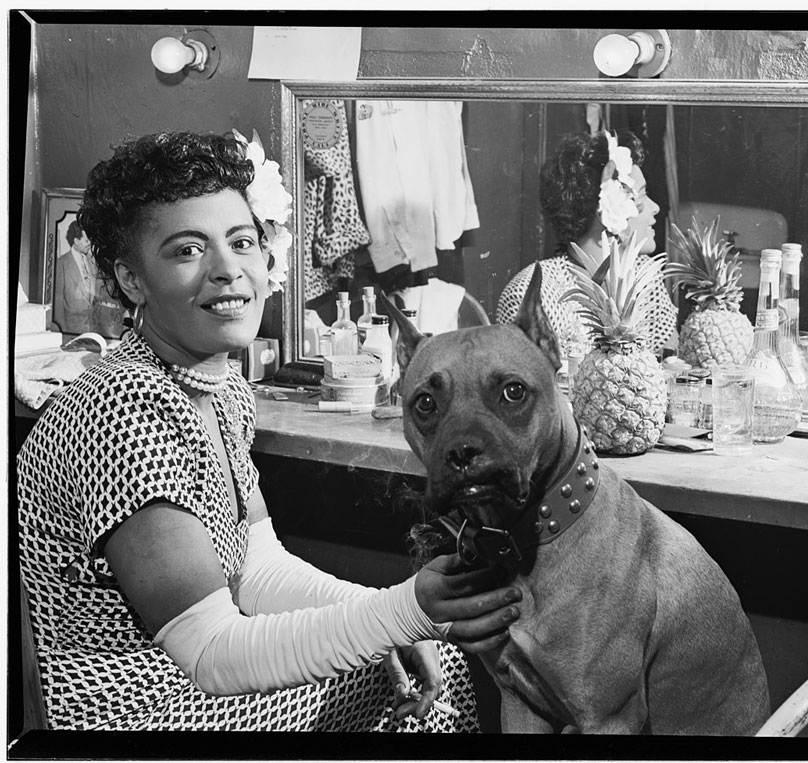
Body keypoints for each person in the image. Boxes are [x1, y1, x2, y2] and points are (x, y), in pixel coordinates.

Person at [17, 131, 521, 732]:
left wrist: (384, 615)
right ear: (131, 280)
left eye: (241, 242)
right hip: (137, 709)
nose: (228, 271)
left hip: (189, 681)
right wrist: (401, 612)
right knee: (422, 684)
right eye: (187, 251)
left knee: (418, 664)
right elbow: (210, 653)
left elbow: (256, 568)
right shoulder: (124, 409)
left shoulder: (218, 382)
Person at [496, 130, 678, 358]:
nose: (655, 208)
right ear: (610, 210)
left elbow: (675, 370)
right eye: (641, 196)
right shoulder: (530, 292)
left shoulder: (645, 280)